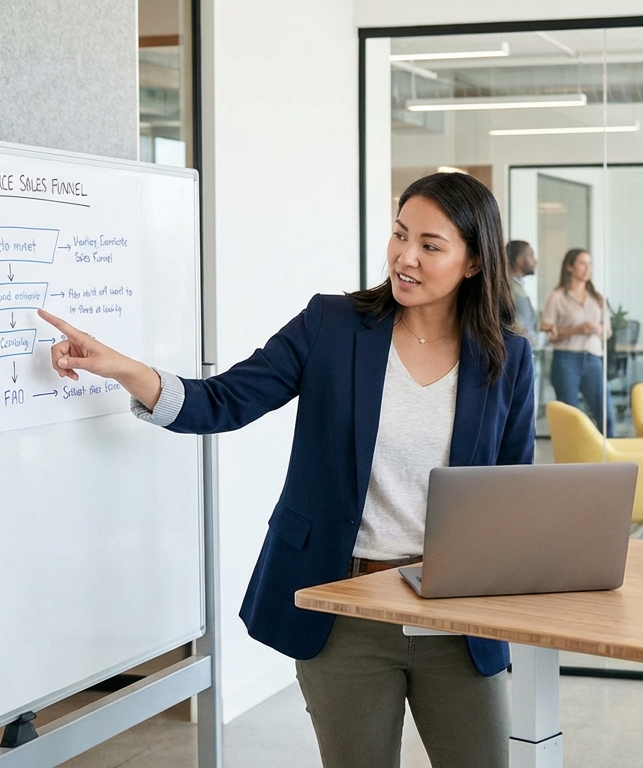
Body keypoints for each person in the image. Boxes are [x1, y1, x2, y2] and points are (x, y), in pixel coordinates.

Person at [39, 172, 533, 768]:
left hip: (456, 618)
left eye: (431, 245)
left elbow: (512, 502)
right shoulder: (332, 325)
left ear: (474, 263)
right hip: (345, 607)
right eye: (400, 235)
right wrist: (122, 367)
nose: (406, 257)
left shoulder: (506, 359)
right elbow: (222, 401)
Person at [541, 247, 614, 436]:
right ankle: (572, 464)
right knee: (570, 418)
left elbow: (607, 331)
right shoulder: (557, 297)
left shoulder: (597, 298)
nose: (587, 268)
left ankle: (613, 463)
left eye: (589, 264)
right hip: (566, 360)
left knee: (606, 415)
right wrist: (577, 330)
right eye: (582, 263)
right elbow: (548, 331)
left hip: (593, 360)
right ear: (570, 267)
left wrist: (598, 329)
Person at [507, 239, 538, 344]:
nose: (535, 261)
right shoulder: (506, 287)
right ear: (519, 260)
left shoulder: (517, 286)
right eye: (530, 255)